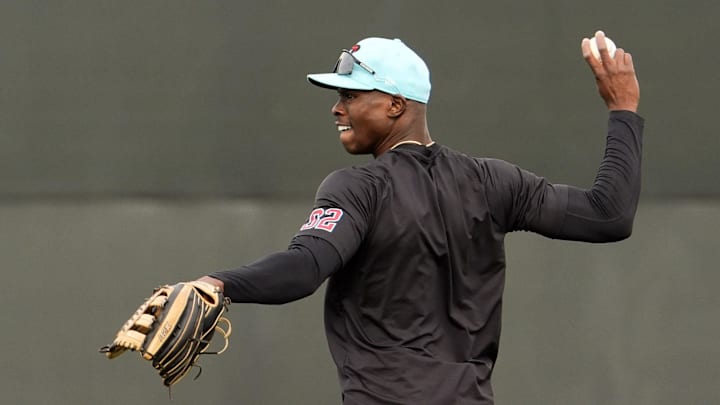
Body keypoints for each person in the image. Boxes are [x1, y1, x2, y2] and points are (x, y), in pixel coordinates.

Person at [198, 31, 642, 404]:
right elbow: (609, 215)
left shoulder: (360, 188)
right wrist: (622, 110)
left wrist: (218, 284)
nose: (337, 107)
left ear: (395, 104)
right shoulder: (494, 182)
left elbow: (305, 267)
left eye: (350, 94)